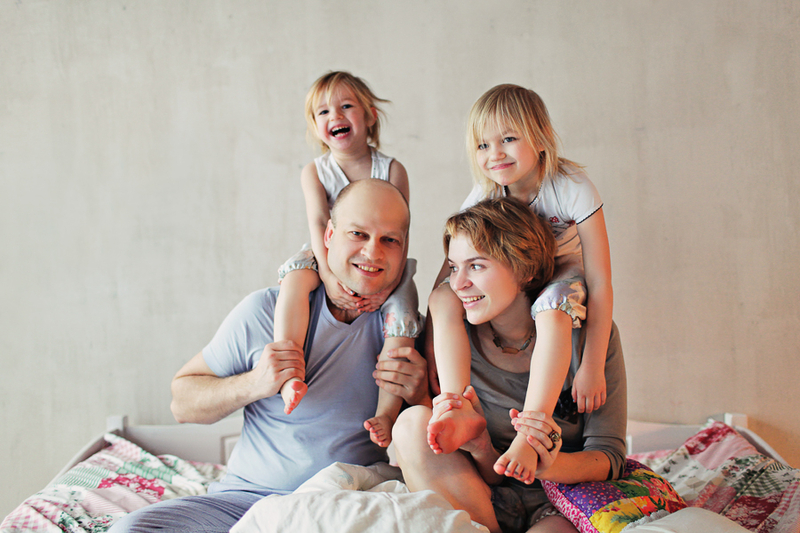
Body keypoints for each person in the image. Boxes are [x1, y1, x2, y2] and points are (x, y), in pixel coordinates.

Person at [110, 179, 429, 533]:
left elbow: (440, 450)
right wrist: (254, 383)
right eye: (358, 234)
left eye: (390, 240)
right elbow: (181, 403)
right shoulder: (265, 311)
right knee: (130, 530)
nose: (372, 252)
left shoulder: (408, 334)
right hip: (244, 502)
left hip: (342, 507)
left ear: (404, 249)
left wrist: (419, 396)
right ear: (328, 236)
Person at [395, 197, 627, 533]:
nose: (458, 284)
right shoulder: (455, 338)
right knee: (410, 424)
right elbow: (476, 466)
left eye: (476, 266)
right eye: (453, 267)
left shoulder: (587, 337)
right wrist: (481, 446)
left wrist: (545, 464)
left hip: (559, 502)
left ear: (525, 269)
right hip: (483, 495)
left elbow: (610, 457)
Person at [426, 84, 614, 483]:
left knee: (552, 307)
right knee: (441, 298)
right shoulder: (486, 193)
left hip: (561, 270)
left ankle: (531, 430)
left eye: (508, 139)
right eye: (483, 145)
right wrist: (432, 341)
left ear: (541, 138)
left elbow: (599, 279)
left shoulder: (571, 186)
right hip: (513, 272)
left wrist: (592, 364)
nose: (494, 154)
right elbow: (451, 272)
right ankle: (457, 404)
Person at [273, 71, 420, 449]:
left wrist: (387, 287)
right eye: (322, 111)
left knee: (403, 312)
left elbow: (400, 233)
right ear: (315, 126)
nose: (334, 115)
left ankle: (387, 410)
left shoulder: (392, 169)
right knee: (294, 279)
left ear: (370, 115)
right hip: (326, 254)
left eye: (346, 106)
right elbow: (318, 223)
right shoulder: (315, 171)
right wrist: (327, 275)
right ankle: (288, 371)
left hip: (383, 258)